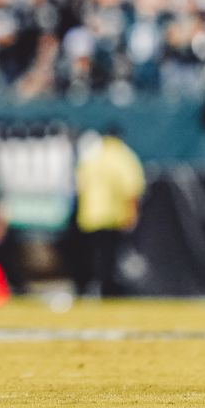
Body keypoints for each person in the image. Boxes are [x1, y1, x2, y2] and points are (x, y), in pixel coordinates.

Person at [66, 126, 145, 298]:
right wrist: (132, 213)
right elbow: (131, 187)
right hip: (111, 215)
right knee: (108, 258)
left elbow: (79, 185)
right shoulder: (123, 156)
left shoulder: (93, 156)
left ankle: (87, 289)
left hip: (89, 215)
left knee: (90, 256)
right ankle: (107, 291)